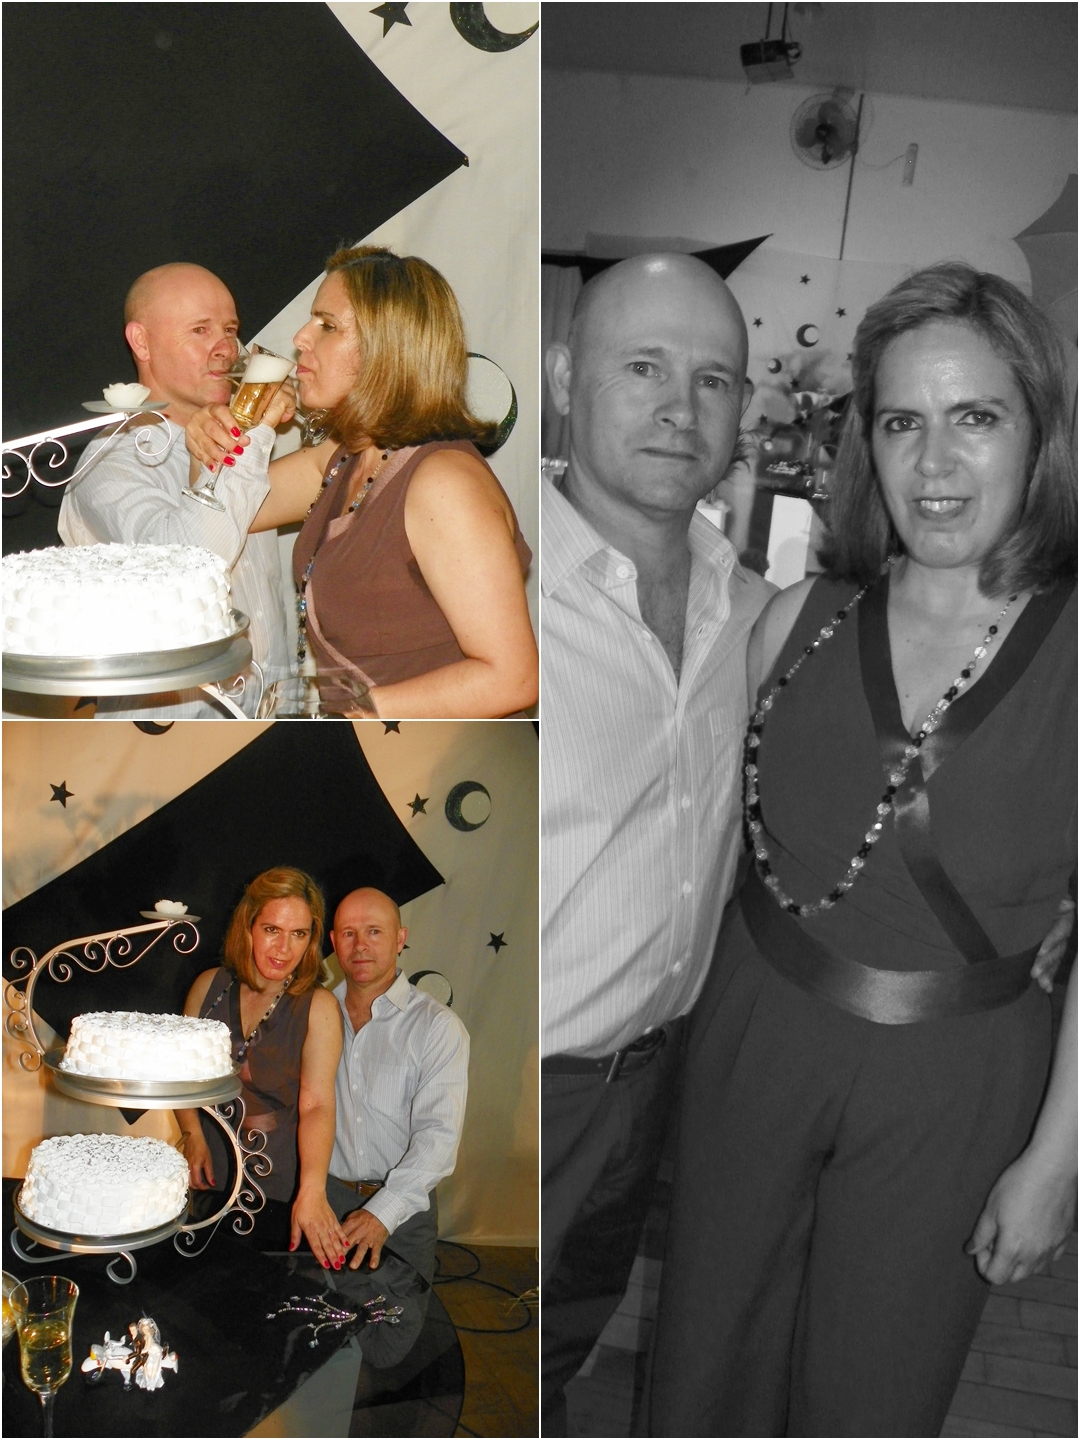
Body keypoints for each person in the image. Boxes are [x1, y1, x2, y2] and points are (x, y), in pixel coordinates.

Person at [649, 262, 1077, 1437]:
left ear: (1038, 433)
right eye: (901, 422)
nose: (933, 463)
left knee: (872, 1393)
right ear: (865, 445)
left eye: (975, 417)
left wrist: (1056, 1161)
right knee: (706, 1361)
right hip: (755, 1042)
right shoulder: (795, 617)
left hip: (957, 1078)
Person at [540, 253, 773, 1433]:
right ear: (564, 378)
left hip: (651, 1086)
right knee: (422, 1369)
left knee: (556, 1354)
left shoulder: (756, 609)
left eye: (712, 379)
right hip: (509, 1088)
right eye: (643, 367)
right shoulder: (480, 577)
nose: (681, 408)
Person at [185, 246, 537, 718]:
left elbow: (513, 678)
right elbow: (224, 515)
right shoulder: (344, 458)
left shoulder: (444, 483)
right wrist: (223, 432)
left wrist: (356, 713)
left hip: (436, 753)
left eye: (327, 326)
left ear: (387, 349)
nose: (301, 337)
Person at [58, 263, 292, 718]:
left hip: (268, 722)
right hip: (172, 739)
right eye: (200, 330)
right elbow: (190, 568)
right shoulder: (112, 461)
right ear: (142, 342)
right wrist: (258, 431)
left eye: (230, 329)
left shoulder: (242, 438)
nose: (226, 348)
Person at [177, 867, 349, 1269]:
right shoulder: (207, 987)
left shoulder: (319, 1007)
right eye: (272, 929)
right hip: (208, 1169)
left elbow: (318, 1105)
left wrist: (312, 1189)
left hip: (276, 1183)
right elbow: (180, 1076)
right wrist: (192, 1134)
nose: (284, 949)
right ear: (248, 926)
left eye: (299, 934)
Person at [323, 887, 469, 1288]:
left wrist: (382, 1212)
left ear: (400, 938)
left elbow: (438, 1136)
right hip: (325, 1204)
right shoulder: (315, 1015)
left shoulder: (437, 1027)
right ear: (333, 941)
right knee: (320, 1319)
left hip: (403, 1210)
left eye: (374, 931)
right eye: (348, 933)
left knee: (395, 1325)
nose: (360, 945)